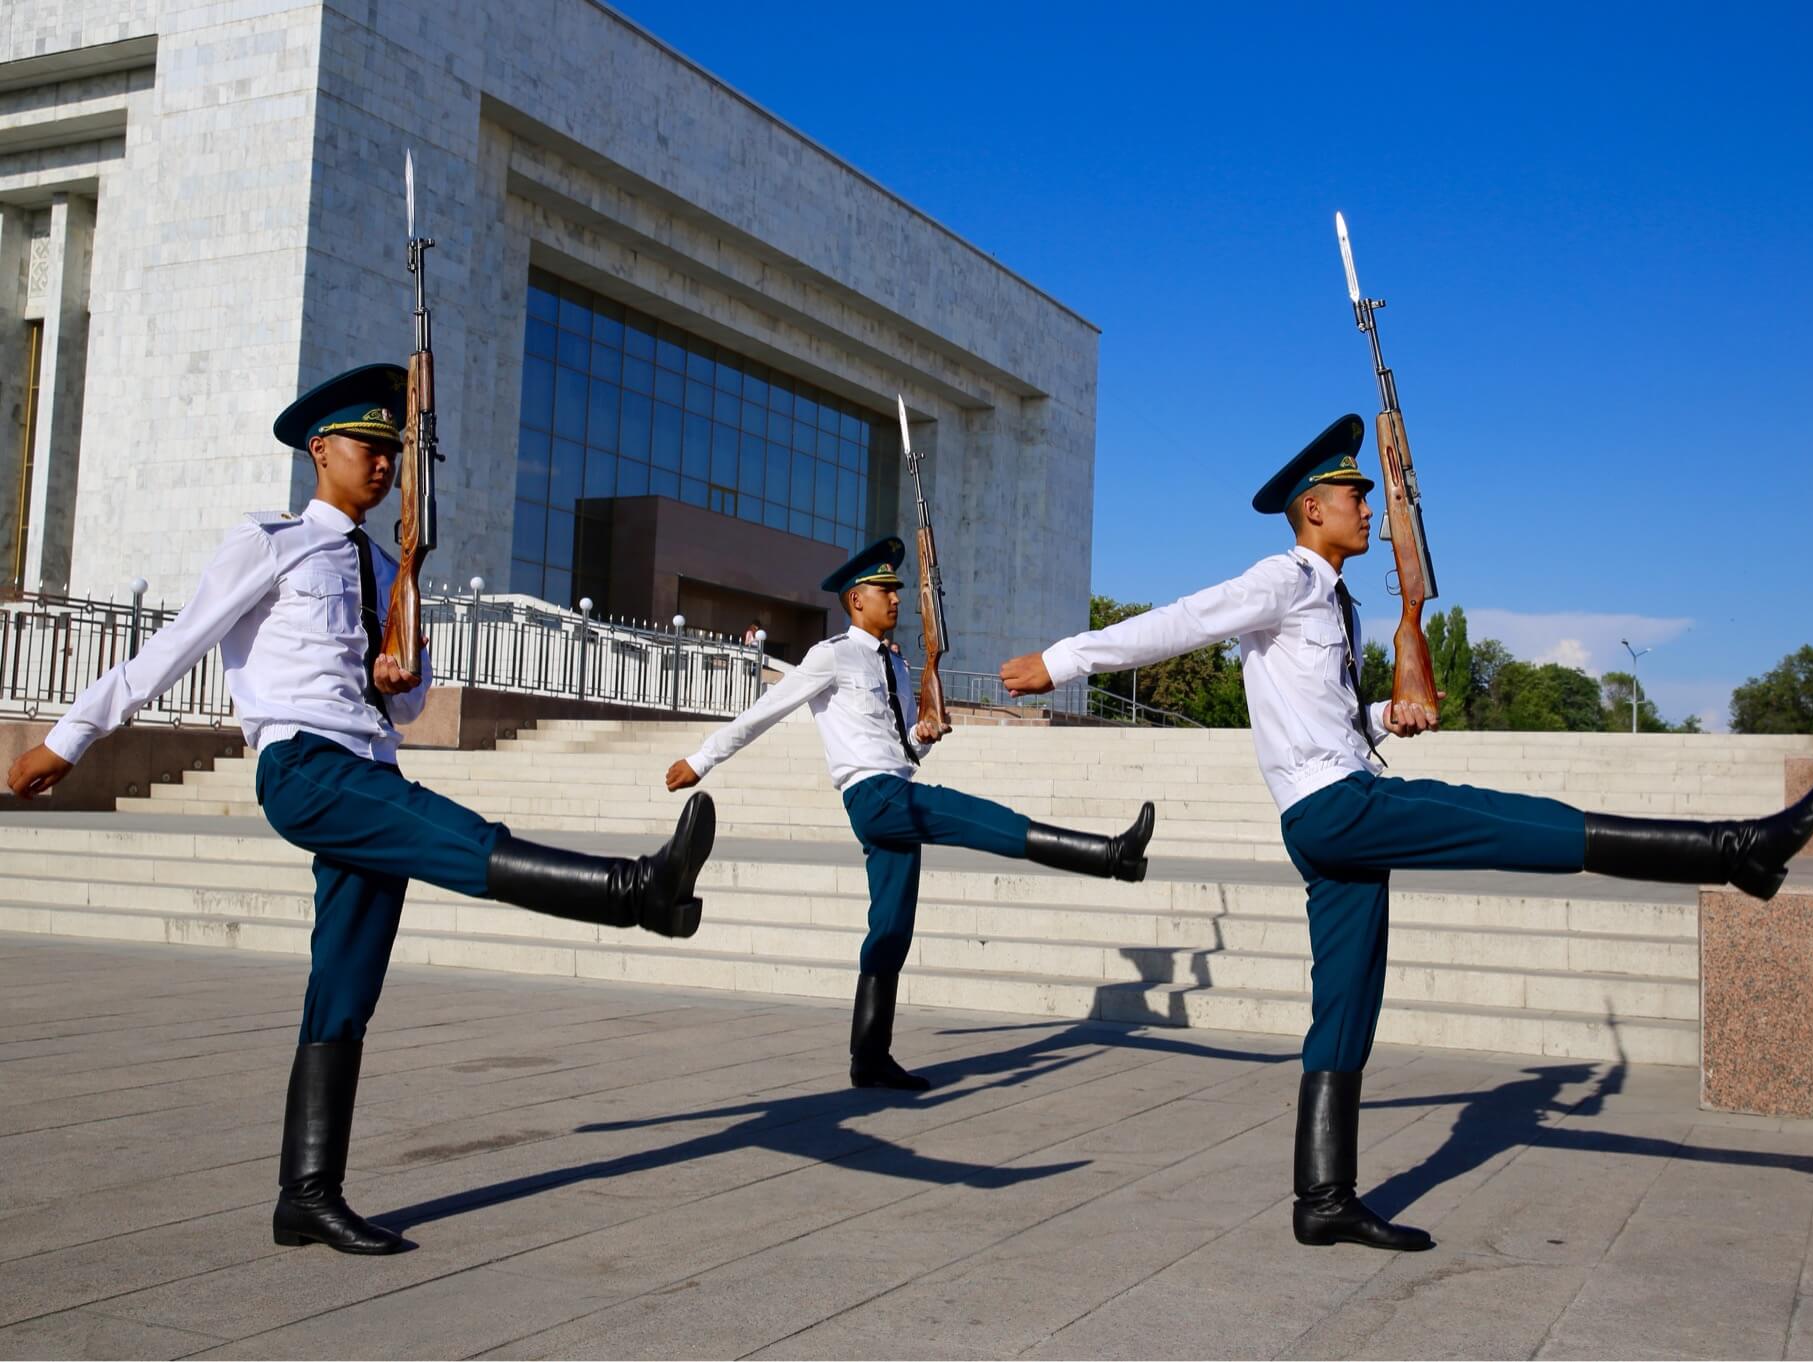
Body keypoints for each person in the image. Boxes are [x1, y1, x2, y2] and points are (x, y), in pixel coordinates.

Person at [999, 414, 1813, 1254]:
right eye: (1356, 497)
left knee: (1347, 1002)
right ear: (1312, 508)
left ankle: (1322, 1199)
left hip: (1334, 804)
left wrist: (1383, 715)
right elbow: (1186, 619)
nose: (1371, 509)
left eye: (1369, 495)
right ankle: (1735, 851)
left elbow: (1322, 715)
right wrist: (1061, 661)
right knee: (1509, 818)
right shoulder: (1282, 578)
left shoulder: (1332, 602)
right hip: (1340, 809)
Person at [5, 365, 718, 1255]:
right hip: (305, 767)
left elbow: (407, 707)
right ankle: (635, 891)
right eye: (367, 448)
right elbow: (176, 642)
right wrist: (68, 740)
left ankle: (305, 1195)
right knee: (457, 837)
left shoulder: (390, 568)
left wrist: (399, 678)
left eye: (391, 451)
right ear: (321, 450)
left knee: (345, 986)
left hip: (363, 761)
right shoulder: (269, 543)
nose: (381, 464)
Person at [666, 536, 1155, 1091]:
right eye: (884, 591)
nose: (895, 600)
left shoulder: (896, 666)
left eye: (898, 591)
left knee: (891, 928)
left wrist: (924, 737)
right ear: (855, 600)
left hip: (894, 789)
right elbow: (765, 711)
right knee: (977, 817)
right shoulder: (832, 655)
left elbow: (899, 749)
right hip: (873, 799)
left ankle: (869, 1060)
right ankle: (1109, 855)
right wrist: (701, 760)